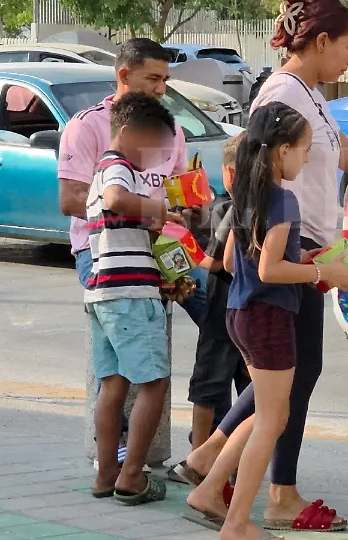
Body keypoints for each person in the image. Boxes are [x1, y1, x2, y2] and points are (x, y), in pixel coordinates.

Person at [179, 0, 348, 530]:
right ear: (319, 42)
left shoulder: (310, 95)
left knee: (290, 377)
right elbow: (250, 172)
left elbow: (347, 155)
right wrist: (312, 265)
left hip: (308, 249)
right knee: (287, 381)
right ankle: (269, 490)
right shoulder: (284, 94)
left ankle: (214, 464)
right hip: (294, 256)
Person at [57, 37, 215, 451]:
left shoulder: (171, 130)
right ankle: (120, 451)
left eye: (165, 79)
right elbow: (71, 199)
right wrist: (147, 212)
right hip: (105, 255)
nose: (162, 89)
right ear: (123, 76)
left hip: (165, 251)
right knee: (126, 367)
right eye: (153, 78)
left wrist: (195, 209)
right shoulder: (88, 125)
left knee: (222, 314)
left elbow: (177, 194)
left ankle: (211, 438)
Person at [216, 102, 348, 540]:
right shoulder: (282, 199)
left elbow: (240, 258)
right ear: (282, 151)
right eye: (304, 151)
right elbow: (269, 271)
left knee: (267, 416)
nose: (307, 160)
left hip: (243, 313)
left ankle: (222, 500)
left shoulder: (247, 191)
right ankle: (238, 522)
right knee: (271, 421)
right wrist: (323, 272)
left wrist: (304, 257)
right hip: (268, 316)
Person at [86, 92, 179, 505]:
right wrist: (156, 209)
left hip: (103, 292)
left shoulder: (106, 171)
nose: (157, 157)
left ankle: (106, 472)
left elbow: (118, 216)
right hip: (129, 294)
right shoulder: (115, 169)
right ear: (127, 134)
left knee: (113, 384)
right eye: (153, 145)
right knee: (154, 383)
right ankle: (131, 476)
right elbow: (116, 201)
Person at [187, 134, 253, 450]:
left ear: (230, 174)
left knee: (208, 386)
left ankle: (198, 457)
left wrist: (181, 245)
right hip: (253, 313)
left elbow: (215, 263)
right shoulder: (271, 203)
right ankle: (236, 460)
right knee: (250, 390)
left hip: (222, 311)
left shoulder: (235, 208)